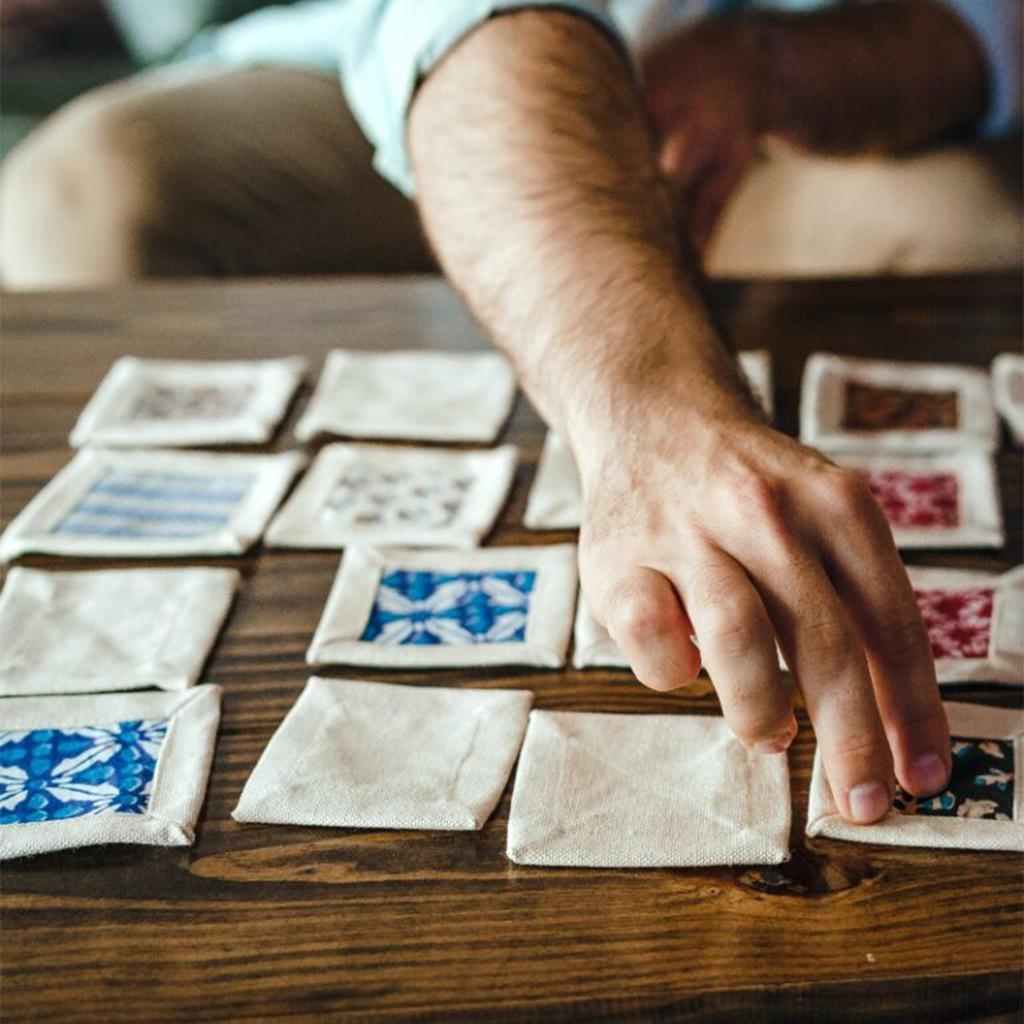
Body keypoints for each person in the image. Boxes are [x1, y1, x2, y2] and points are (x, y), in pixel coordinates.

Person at [3, 1, 1020, 826]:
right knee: (77, 195)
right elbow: (480, 28)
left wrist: (774, 65)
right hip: (396, 63)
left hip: (776, 93)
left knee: (968, 226)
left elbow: (980, 36)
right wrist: (647, 411)